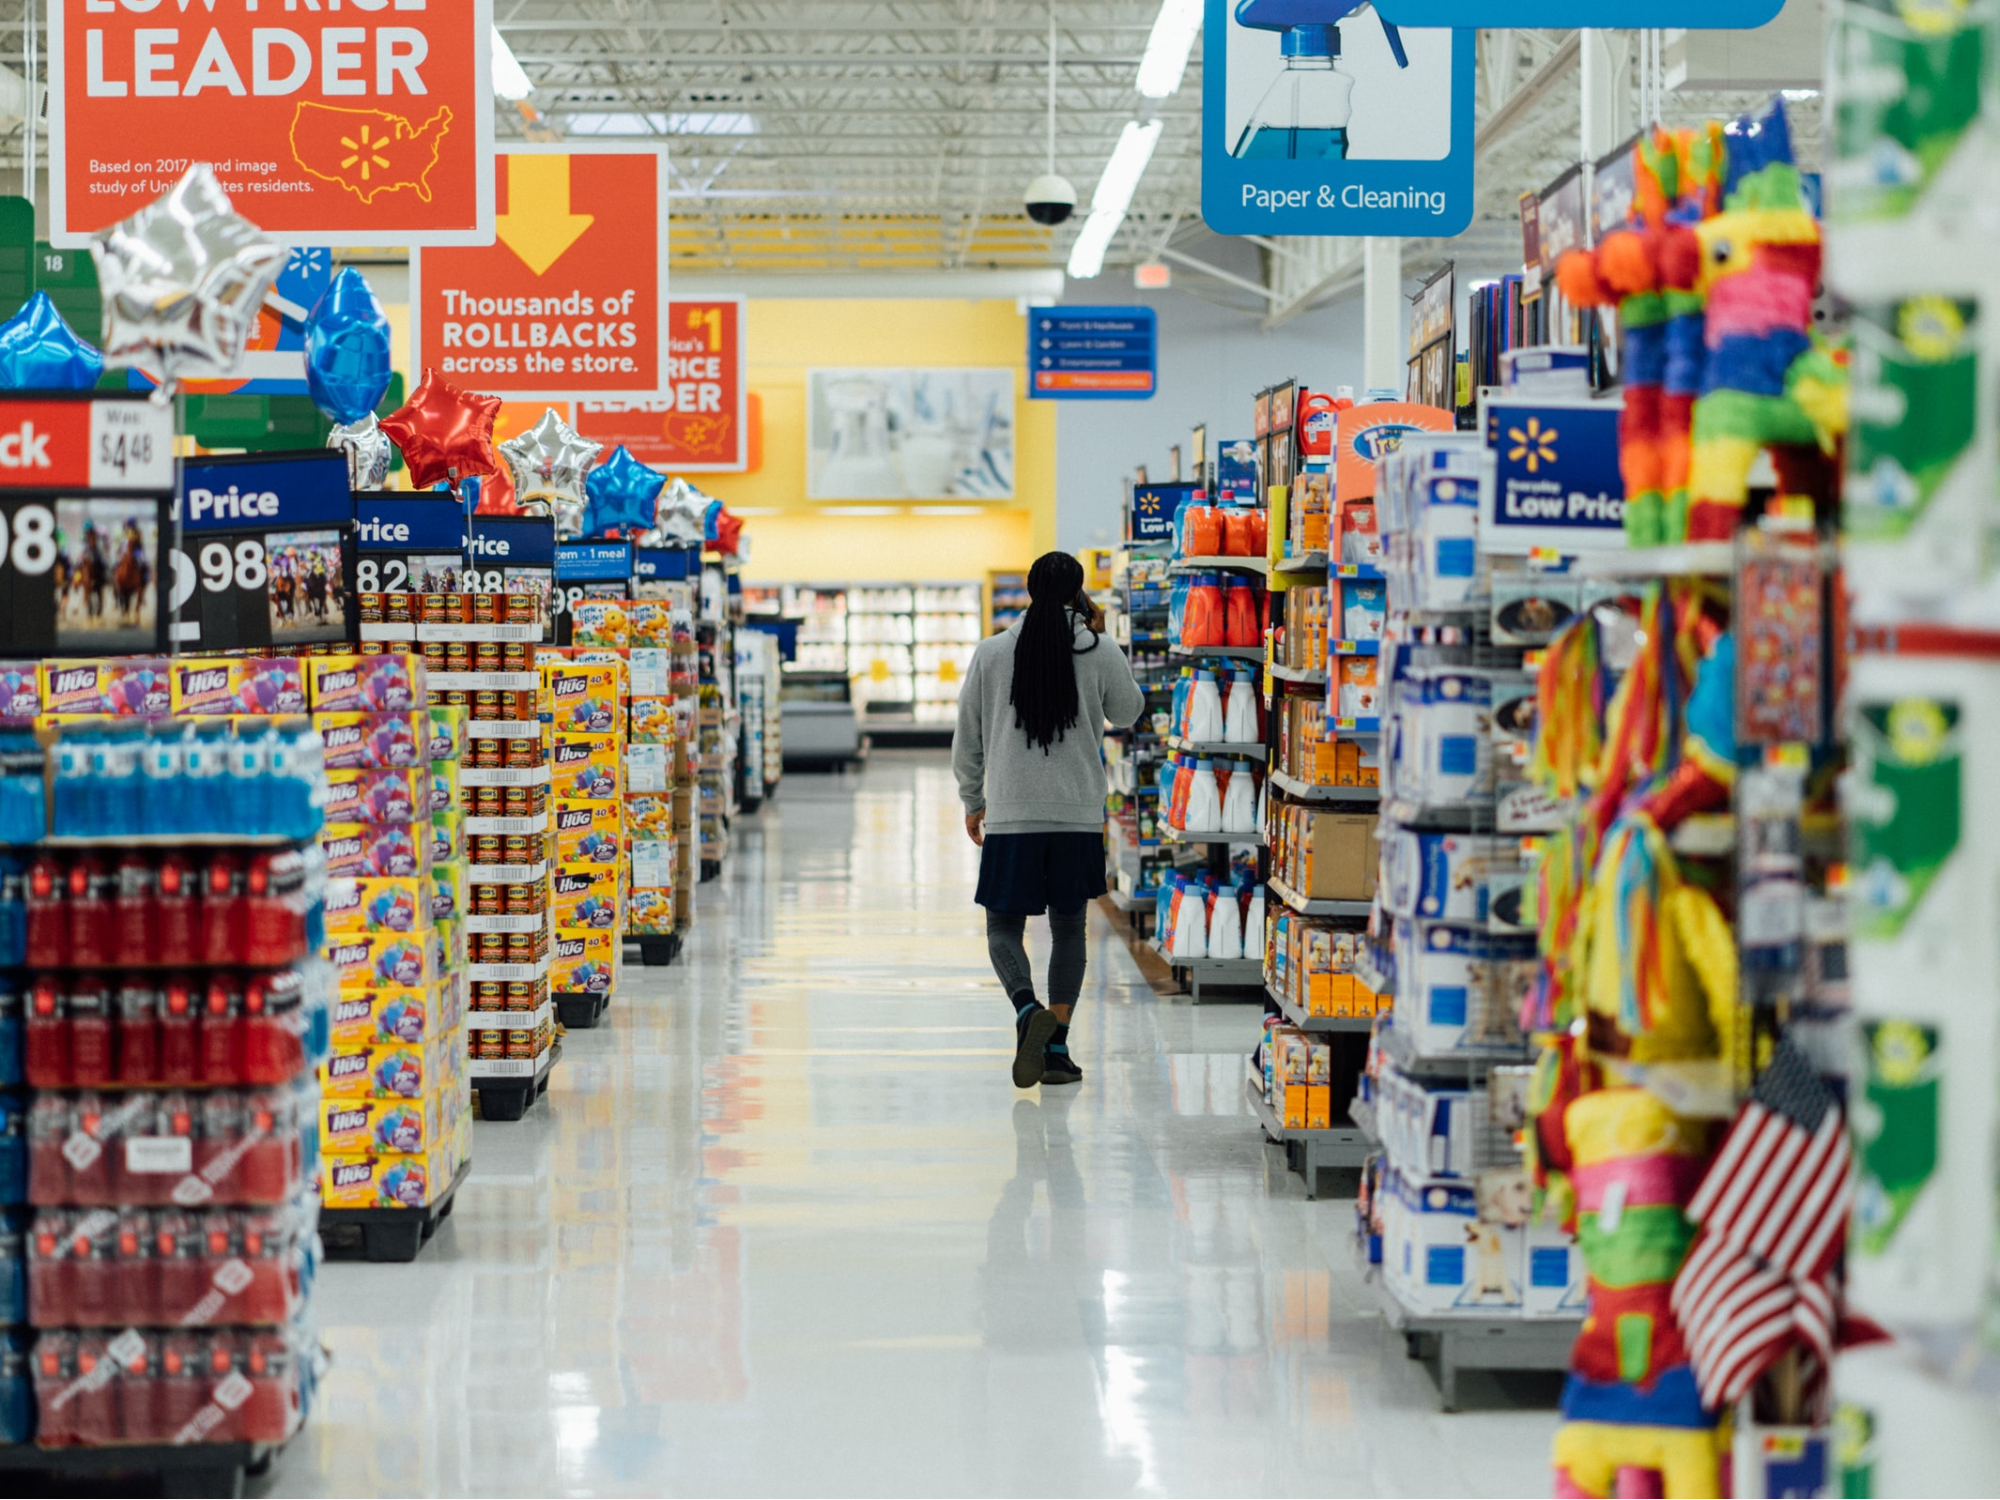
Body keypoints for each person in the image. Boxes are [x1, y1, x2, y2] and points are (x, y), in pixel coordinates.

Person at [953, 550, 1146, 1089]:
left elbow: (966, 739)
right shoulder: (1098, 647)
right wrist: (1105, 639)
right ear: (1078, 593)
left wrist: (974, 800)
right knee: (1068, 928)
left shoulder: (992, 653)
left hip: (1012, 813)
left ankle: (1025, 1009)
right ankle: (1056, 1047)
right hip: (1077, 814)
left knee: (1002, 927)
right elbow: (1129, 712)